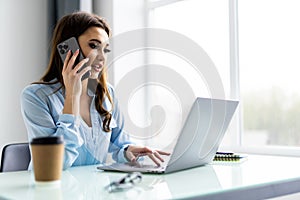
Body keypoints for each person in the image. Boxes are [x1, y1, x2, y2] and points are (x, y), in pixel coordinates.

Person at [21, 11, 170, 169]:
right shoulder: (35, 96)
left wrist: (128, 151)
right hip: (51, 190)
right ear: (68, 48)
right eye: (93, 46)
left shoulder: (106, 93)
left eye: (105, 50)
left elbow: (118, 142)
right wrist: (72, 96)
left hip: (91, 191)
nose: (102, 57)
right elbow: (53, 165)